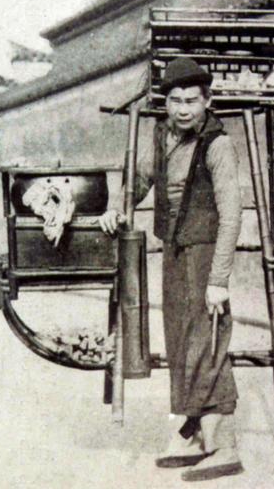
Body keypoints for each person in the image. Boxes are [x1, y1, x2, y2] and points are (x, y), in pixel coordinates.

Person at [99, 57, 243, 482]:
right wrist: (116, 207)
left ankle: (224, 444)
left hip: (205, 253)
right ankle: (192, 435)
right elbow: (138, 182)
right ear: (166, 104)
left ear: (207, 101)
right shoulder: (162, 137)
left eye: (191, 101)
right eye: (175, 101)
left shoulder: (218, 145)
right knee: (180, 341)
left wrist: (218, 280)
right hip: (175, 252)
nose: (183, 109)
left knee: (207, 340)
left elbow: (231, 216)